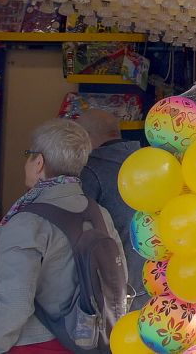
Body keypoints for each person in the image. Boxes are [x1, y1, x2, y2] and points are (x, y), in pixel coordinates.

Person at [0, 119, 126, 352]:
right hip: (83, 341)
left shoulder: (27, 222)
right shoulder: (100, 213)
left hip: (31, 343)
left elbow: (14, 305)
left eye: (29, 155)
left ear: (39, 162)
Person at [74, 109, 145, 310]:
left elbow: (80, 226)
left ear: (85, 138)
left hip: (119, 281)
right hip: (154, 275)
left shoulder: (91, 169)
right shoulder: (146, 159)